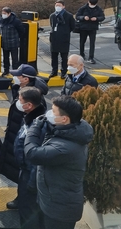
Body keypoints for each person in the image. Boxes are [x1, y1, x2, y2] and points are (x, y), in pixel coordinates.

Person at [25, 96, 93, 229]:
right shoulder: (72, 127)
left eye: (53, 111)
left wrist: (34, 128)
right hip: (52, 199)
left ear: (64, 119)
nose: (49, 113)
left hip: (59, 210)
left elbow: (32, 154)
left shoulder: (65, 148)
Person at [0, 64, 49, 207]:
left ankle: (22, 200)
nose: (14, 78)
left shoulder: (35, 97)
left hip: (22, 140)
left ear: (26, 79)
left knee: (23, 173)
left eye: (18, 75)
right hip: (15, 134)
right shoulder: (20, 90)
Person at [13, 87, 46, 229]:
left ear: (29, 105)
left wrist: (32, 184)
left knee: (28, 210)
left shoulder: (39, 126)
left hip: (30, 176)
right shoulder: (30, 118)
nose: (18, 103)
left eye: (20, 101)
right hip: (25, 171)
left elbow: (36, 160)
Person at [49, 0, 76, 78]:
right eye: (56, 5)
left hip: (64, 39)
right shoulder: (52, 16)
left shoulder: (69, 16)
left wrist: (65, 32)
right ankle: (54, 71)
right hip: (54, 38)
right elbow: (52, 25)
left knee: (64, 57)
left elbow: (72, 26)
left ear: (63, 6)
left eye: (59, 5)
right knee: (54, 57)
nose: (57, 7)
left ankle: (64, 72)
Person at [75, 0, 105, 64]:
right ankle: (82, 54)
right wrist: (83, 17)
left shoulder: (98, 9)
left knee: (92, 43)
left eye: (93, 5)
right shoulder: (83, 8)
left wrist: (96, 19)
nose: (92, 6)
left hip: (93, 28)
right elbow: (77, 16)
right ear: (88, 2)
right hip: (83, 28)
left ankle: (91, 57)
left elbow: (102, 17)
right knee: (82, 42)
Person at [0, 6, 24, 75]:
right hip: (4, 43)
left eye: (5, 13)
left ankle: (15, 72)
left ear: (9, 13)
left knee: (15, 60)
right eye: (2, 13)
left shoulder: (15, 21)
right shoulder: (1, 20)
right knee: (5, 59)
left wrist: (16, 38)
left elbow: (21, 31)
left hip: (13, 44)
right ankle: (6, 70)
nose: (3, 15)